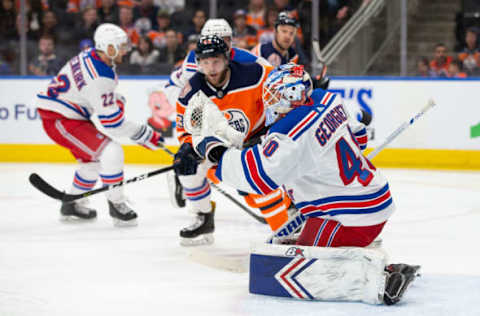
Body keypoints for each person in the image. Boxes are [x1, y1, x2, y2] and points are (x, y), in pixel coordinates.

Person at [187, 63, 419, 305]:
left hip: (351, 217)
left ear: (292, 96)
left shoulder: (293, 133)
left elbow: (259, 177)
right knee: (287, 247)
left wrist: (215, 153)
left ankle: (381, 281)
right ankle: (366, 259)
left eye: (276, 96)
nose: (271, 103)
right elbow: (358, 137)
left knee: (289, 267)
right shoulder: (326, 99)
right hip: (370, 199)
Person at [35, 23, 163, 226]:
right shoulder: (100, 77)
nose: (126, 50)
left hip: (65, 114)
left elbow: (97, 100)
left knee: (92, 163)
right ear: (109, 48)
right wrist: (145, 134)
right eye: (121, 46)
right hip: (59, 118)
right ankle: (117, 204)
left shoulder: (91, 54)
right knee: (111, 151)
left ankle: (72, 204)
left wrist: (114, 102)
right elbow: (112, 124)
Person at [173, 35, 276, 246]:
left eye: (216, 61)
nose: (211, 68)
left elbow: (280, 92)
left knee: (258, 187)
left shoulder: (254, 74)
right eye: (205, 62)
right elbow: (187, 131)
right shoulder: (192, 91)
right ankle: (204, 217)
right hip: (221, 147)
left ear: (227, 58)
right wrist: (188, 148)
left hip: (260, 138)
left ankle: (287, 224)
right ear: (198, 63)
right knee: (188, 170)